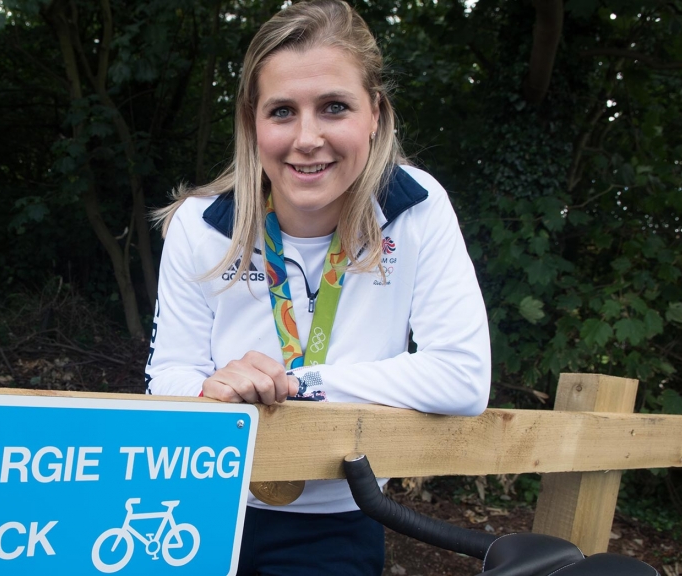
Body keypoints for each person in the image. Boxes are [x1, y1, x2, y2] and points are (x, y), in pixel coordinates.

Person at [145, 0, 491, 574]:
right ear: (252, 122)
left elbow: (462, 376)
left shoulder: (416, 206)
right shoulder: (202, 222)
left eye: (334, 107)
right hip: (201, 507)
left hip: (344, 512)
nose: (308, 138)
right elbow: (168, 379)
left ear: (375, 112)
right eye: (282, 111)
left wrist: (299, 384)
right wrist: (215, 392)